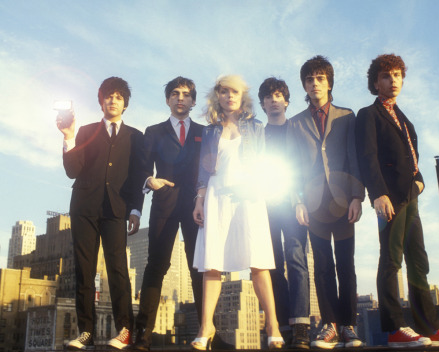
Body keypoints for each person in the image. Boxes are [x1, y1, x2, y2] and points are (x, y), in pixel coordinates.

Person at [355, 53, 439, 348]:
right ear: (375, 82)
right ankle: (395, 328)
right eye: (385, 75)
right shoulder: (369, 115)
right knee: (391, 260)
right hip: (389, 198)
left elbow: (412, 157)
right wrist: (378, 193)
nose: (392, 80)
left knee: (418, 261)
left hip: (411, 196)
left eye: (396, 75)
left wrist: (420, 180)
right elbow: (367, 157)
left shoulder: (404, 118)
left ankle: (430, 327)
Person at [191, 75, 284, 350]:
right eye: (224, 91)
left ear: (242, 96)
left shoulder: (256, 127)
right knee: (212, 264)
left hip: (249, 196)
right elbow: (203, 170)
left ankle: (272, 325)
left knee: (258, 263)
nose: (229, 96)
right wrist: (199, 200)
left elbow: (264, 163)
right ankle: (206, 326)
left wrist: (255, 187)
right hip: (216, 195)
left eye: (235, 92)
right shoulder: (209, 131)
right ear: (217, 96)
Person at [57, 77, 144, 350]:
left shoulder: (135, 137)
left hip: (116, 210)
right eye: (108, 96)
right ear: (101, 100)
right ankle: (86, 332)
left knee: (118, 271)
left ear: (125, 103)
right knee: (84, 271)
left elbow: (137, 177)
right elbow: (72, 170)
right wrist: (68, 136)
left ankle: (124, 330)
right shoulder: (85, 131)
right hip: (84, 208)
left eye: (118, 96)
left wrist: (135, 209)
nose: (112, 100)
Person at [287, 56, 364, 349]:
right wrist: (297, 201)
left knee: (346, 263)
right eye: (309, 79)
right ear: (304, 86)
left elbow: (355, 158)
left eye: (319, 78)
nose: (314, 83)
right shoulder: (295, 123)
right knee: (322, 264)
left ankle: (349, 325)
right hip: (313, 202)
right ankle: (329, 325)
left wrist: (358, 195)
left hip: (344, 200)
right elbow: (291, 165)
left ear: (329, 82)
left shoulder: (346, 116)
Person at [132, 77, 207, 351]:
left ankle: (206, 334)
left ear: (193, 101)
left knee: (199, 267)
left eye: (186, 95)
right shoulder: (153, 131)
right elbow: (140, 168)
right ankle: (143, 336)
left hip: (197, 207)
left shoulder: (205, 132)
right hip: (163, 203)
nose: (180, 98)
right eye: (175, 94)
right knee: (156, 266)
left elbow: (212, 168)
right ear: (167, 100)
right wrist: (149, 180)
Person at [258, 77, 310, 349]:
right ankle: (281, 327)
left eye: (279, 95)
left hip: (294, 203)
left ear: (287, 101)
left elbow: (306, 167)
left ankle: (301, 326)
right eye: (268, 96)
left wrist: (300, 198)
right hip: (264, 204)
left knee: (296, 258)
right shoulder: (258, 135)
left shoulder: (298, 129)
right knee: (272, 265)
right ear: (263, 104)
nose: (274, 99)